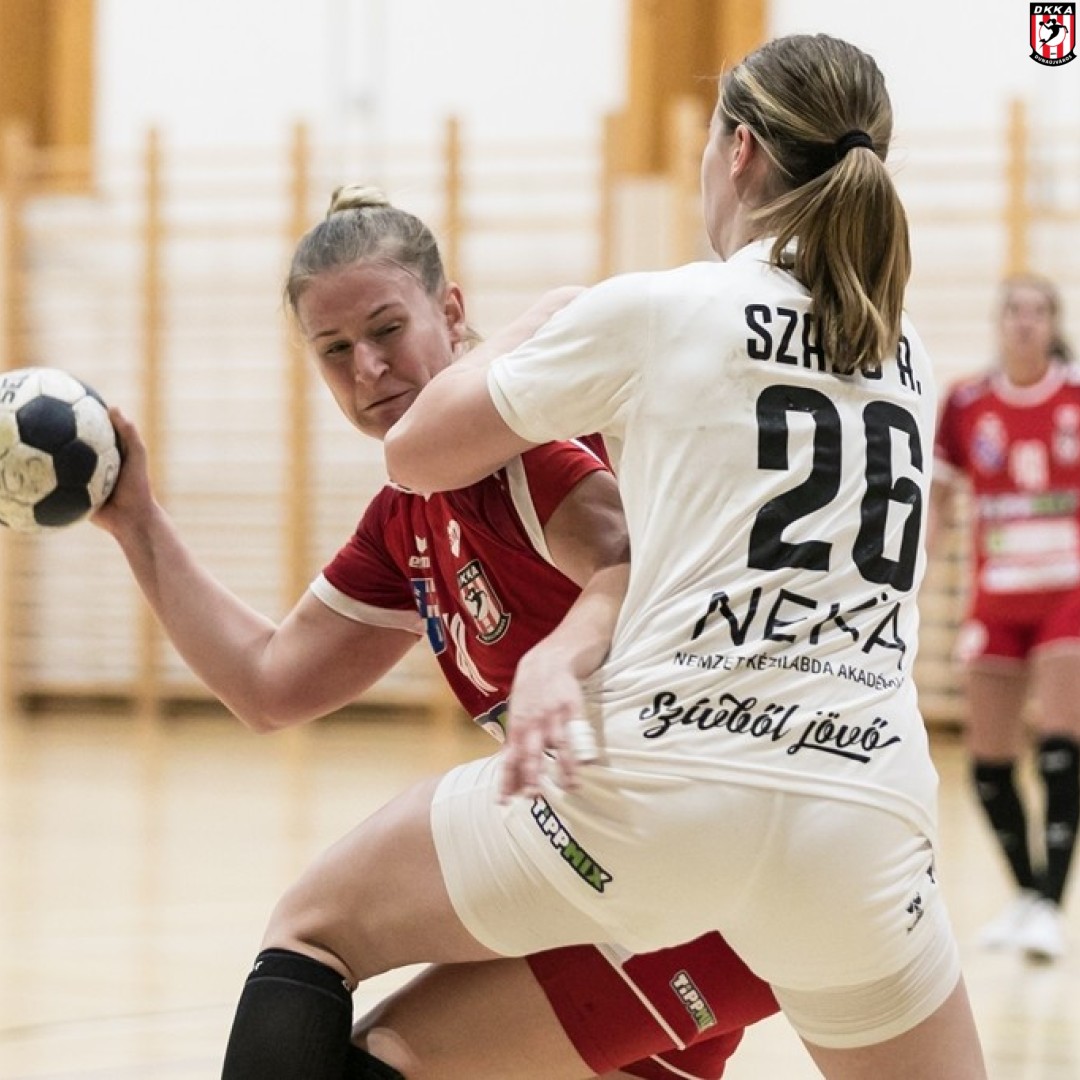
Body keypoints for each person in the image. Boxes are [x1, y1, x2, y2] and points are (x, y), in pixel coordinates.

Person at [383, 31, 988, 1080]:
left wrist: (526, 327)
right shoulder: (905, 351)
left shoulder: (666, 307)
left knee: (316, 936)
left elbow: (415, 453)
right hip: (868, 802)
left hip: (679, 779)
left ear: (738, 150)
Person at [94, 186, 778, 1078]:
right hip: (647, 881)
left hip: (691, 865)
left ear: (452, 313)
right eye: (334, 350)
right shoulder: (409, 515)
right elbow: (268, 683)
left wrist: (558, 656)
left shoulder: (523, 450)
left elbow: (629, 562)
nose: (368, 368)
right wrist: (137, 523)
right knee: (387, 1057)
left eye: (387, 329)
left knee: (316, 932)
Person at [930, 273, 1080, 962]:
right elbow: (940, 502)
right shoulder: (967, 402)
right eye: (1014, 310)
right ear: (999, 321)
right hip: (995, 595)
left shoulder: (1073, 397)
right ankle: (1027, 896)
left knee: (1058, 748)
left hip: (1067, 593)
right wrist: (911, 575)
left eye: (1037, 312)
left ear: (1053, 323)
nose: (1024, 322)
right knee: (988, 764)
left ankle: (1049, 902)